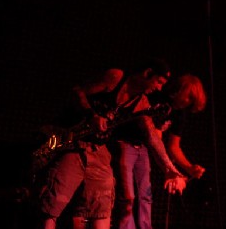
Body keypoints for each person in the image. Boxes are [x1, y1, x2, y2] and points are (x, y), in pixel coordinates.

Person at [36, 58, 186, 229]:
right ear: (147, 73)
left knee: (102, 208)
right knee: (53, 205)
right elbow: (78, 91)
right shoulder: (116, 77)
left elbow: (152, 137)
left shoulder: (141, 103)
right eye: (158, 81)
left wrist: (170, 169)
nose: (159, 88)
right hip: (73, 142)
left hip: (98, 150)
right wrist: (91, 115)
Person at [112, 73, 207, 229]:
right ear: (181, 90)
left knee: (145, 196)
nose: (188, 103)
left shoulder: (180, 114)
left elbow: (173, 146)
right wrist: (169, 168)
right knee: (127, 196)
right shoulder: (158, 99)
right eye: (189, 97)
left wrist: (189, 168)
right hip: (126, 143)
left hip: (143, 149)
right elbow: (153, 136)